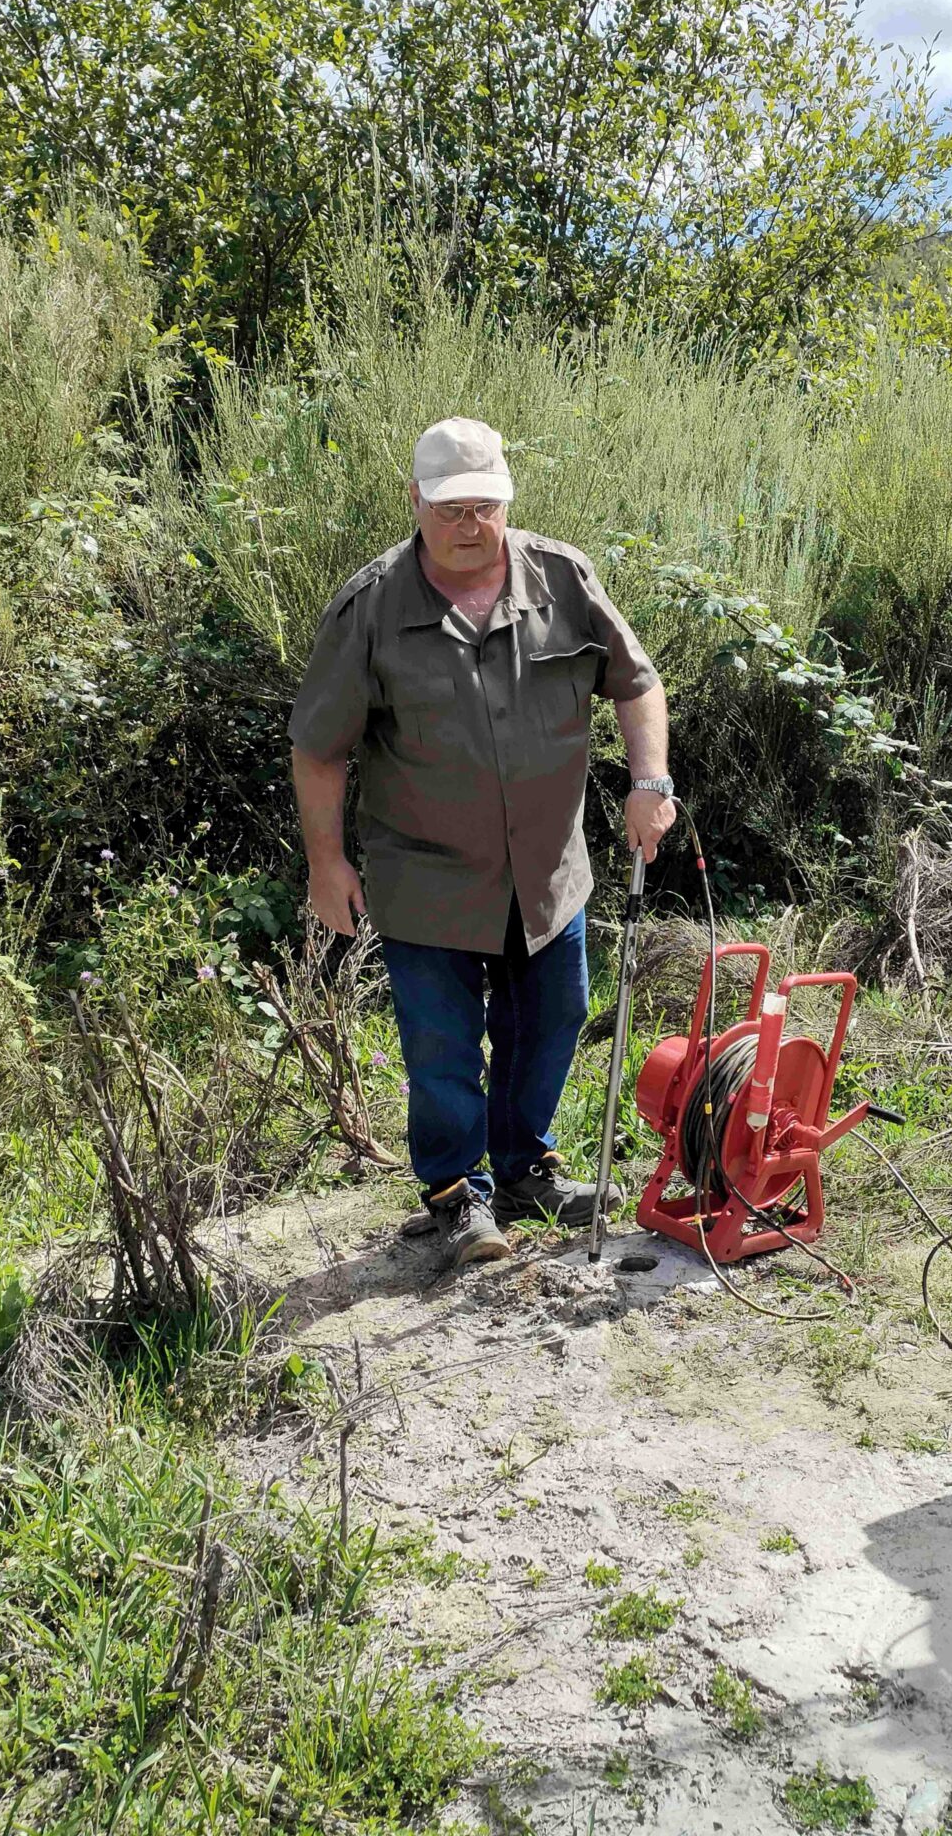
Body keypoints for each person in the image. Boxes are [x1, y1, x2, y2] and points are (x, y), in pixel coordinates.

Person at [289, 417, 677, 1267]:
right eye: (450, 508)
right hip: (427, 874)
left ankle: (526, 1166)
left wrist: (649, 782)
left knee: (553, 1019)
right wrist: (327, 862)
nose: (470, 525)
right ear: (416, 503)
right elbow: (319, 749)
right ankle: (457, 1196)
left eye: (485, 507)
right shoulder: (370, 607)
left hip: (547, 869)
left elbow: (637, 682)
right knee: (441, 1048)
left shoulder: (564, 578)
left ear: (508, 499)